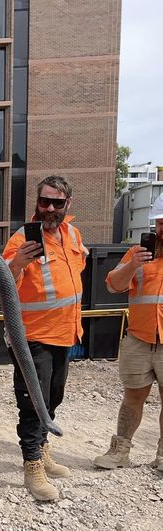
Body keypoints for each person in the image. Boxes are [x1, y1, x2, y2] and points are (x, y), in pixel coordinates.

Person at [3, 175, 87, 502]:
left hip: (65, 332)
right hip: (31, 337)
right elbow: (4, 280)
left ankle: (42, 446)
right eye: (44, 201)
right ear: (37, 203)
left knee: (53, 395)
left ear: (68, 204)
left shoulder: (73, 234)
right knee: (32, 400)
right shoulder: (21, 239)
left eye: (57, 202)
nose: (50, 208)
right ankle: (32, 464)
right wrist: (18, 263)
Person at [94, 194, 163, 470]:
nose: (162, 229)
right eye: (160, 223)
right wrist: (134, 263)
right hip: (139, 340)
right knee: (133, 396)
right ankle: (120, 450)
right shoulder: (137, 253)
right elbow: (113, 285)